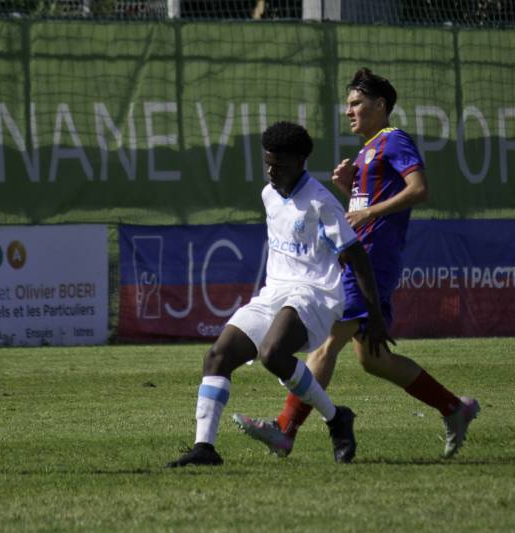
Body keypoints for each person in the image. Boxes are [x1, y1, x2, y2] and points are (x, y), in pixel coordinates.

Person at [234, 68, 479, 459]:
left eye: (356, 103)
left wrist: (370, 212)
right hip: (363, 259)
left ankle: (285, 429)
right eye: (347, 104)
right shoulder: (368, 150)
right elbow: (362, 212)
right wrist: (349, 189)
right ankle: (455, 408)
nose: (349, 111)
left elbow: (419, 190)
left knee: (329, 339)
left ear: (380, 106)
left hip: (373, 260)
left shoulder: (393, 140)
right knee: (373, 359)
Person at [166, 121, 392, 467]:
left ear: (301, 161)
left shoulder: (320, 203)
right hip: (275, 293)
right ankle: (204, 448)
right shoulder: (268, 194)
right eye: (268, 163)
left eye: (280, 165)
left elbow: (356, 256)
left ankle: (335, 419)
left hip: (315, 296)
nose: (272, 171)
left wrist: (373, 316)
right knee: (218, 356)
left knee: (273, 353)